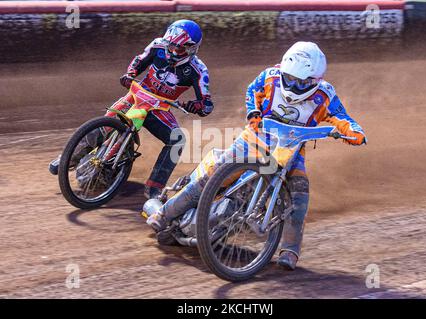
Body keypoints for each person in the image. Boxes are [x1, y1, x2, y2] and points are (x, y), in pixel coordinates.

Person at [145, 41, 366, 270]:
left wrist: (354, 132)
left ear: (314, 81)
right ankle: (165, 213)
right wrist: (254, 113)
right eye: (289, 78)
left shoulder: (325, 94)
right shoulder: (270, 76)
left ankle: (290, 250)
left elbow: (342, 118)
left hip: (290, 152)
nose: (292, 85)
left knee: (299, 194)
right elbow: (253, 90)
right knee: (212, 175)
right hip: (254, 141)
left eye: (300, 82)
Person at [48, 20, 214, 199]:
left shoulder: (199, 70)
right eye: (171, 46)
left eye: (179, 49)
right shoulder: (158, 45)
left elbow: (207, 105)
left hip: (160, 107)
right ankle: (67, 158)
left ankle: (154, 188)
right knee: (105, 124)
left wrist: (194, 105)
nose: (172, 52)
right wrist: (130, 75)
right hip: (137, 95)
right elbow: (139, 61)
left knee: (178, 140)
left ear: (192, 49)